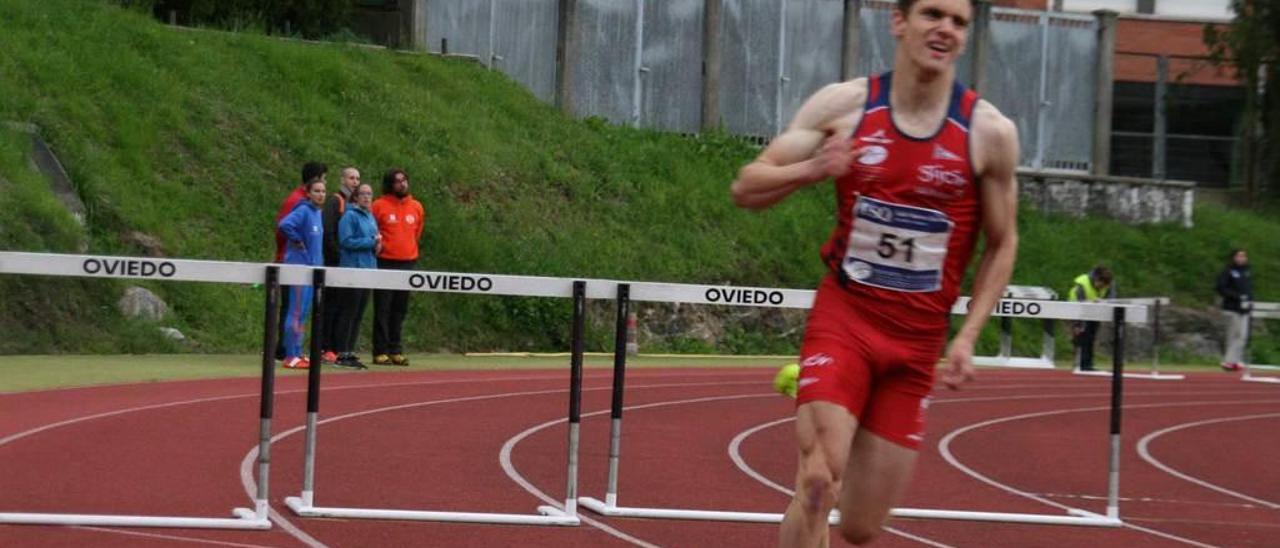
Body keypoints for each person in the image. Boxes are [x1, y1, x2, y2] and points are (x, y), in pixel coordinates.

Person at [729, 1, 1019, 545]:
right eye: (933, 13)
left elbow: (1003, 244)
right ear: (898, 21)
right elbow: (746, 187)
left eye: (958, 22)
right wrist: (815, 168)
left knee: (861, 526)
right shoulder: (846, 106)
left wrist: (969, 336)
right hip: (847, 320)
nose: (945, 30)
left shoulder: (990, 133)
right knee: (818, 483)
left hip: (916, 346)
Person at [273, 161, 327, 361]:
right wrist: (297, 241)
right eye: (317, 191)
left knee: (302, 312)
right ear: (309, 193)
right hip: (298, 267)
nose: (321, 194)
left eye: (323, 191)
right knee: (294, 312)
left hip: (312, 270)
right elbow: (285, 225)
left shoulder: (318, 214)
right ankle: (289, 354)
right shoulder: (303, 210)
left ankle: (296, 351)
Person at [370, 168, 424, 366]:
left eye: (404, 180)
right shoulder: (379, 205)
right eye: (397, 181)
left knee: (400, 309)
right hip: (384, 262)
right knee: (382, 308)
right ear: (389, 184)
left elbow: (416, 233)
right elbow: (372, 230)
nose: (402, 184)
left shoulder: (416, 206)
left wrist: (408, 251)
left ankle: (396, 349)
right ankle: (380, 350)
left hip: (407, 262)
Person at [332, 183, 381, 369]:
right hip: (353, 269)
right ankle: (341, 351)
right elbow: (346, 241)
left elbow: (374, 238)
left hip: (368, 268)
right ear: (355, 197)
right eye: (363, 194)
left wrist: (377, 245)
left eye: (369, 194)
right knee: (349, 311)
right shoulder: (350, 216)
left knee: (359, 313)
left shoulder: (370, 216)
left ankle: (350, 351)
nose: (367, 197)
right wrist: (370, 242)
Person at [318, 166, 362, 365]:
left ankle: (338, 347)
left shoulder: (354, 205)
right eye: (351, 178)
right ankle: (325, 347)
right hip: (334, 263)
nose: (355, 182)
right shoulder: (335, 201)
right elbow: (328, 233)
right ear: (343, 180)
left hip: (348, 264)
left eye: (357, 178)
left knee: (344, 307)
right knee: (332, 306)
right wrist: (337, 256)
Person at [1067, 265, 1114, 372]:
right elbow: (1078, 304)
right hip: (1076, 309)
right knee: (1081, 336)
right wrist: (1077, 324)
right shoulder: (1082, 285)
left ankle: (1087, 364)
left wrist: (1103, 303)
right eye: (1101, 285)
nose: (1102, 288)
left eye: (1105, 286)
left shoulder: (1108, 284)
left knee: (1091, 337)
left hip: (1094, 311)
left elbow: (1111, 299)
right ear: (1097, 279)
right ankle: (1079, 364)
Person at [1216, 248, 1253, 371]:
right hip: (1232, 308)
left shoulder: (1247, 271)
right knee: (1234, 334)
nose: (1241, 258)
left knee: (1243, 336)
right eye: (1239, 256)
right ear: (1234, 258)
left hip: (1244, 308)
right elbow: (1221, 288)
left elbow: (1248, 289)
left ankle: (1236, 359)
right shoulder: (1228, 271)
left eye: (1243, 256)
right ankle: (1229, 361)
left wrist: (1249, 300)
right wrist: (1236, 297)